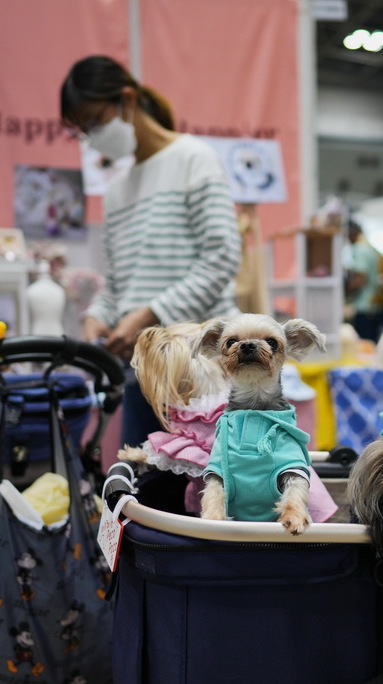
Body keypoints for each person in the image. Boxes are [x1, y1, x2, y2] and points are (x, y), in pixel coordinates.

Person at [60, 56, 242, 447]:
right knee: (144, 493)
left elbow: (222, 257)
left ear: (127, 99)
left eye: (94, 120)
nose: (92, 136)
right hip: (144, 370)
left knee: (208, 494)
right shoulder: (115, 190)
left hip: (202, 366)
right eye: (83, 130)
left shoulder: (194, 159)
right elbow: (120, 281)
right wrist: (98, 316)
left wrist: (151, 313)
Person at [343, 220, 383, 341]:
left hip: (364, 308)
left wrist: (344, 292)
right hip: (374, 306)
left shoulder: (360, 250)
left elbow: (360, 278)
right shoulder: (370, 249)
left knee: (364, 347)